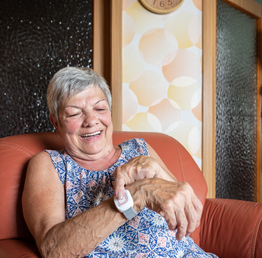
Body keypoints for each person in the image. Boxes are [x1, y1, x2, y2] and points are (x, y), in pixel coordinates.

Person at [22, 67, 217, 257]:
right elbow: (53, 250)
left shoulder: (140, 148)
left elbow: (186, 214)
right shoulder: (50, 164)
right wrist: (136, 196)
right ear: (56, 122)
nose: (91, 120)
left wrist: (157, 171)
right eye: (74, 113)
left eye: (100, 108)